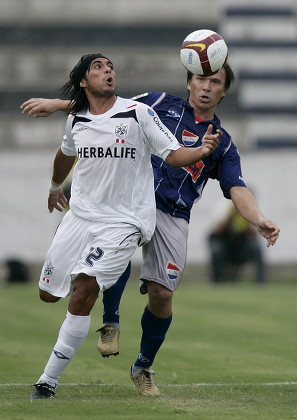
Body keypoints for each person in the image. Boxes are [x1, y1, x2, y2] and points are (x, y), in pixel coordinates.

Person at [21, 62, 280, 397]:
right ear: (189, 81)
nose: (206, 87)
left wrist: (258, 219)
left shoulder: (222, 143)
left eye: (215, 82)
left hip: (173, 214)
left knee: (162, 295)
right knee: (118, 245)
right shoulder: (156, 104)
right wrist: (58, 105)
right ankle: (111, 320)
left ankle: (142, 365)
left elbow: (237, 188)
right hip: (128, 205)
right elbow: (108, 108)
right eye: (201, 78)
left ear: (224, 90)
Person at [208, 200, 266, 283]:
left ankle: (260, 281)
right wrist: (231, 215)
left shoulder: (255, 209)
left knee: (256, 248)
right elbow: (217, 230)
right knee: (216, 250)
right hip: (223, 242)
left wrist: (248, 220)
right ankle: (216, 280)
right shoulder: (222, 205)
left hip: (241, 243)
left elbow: (254, 234)